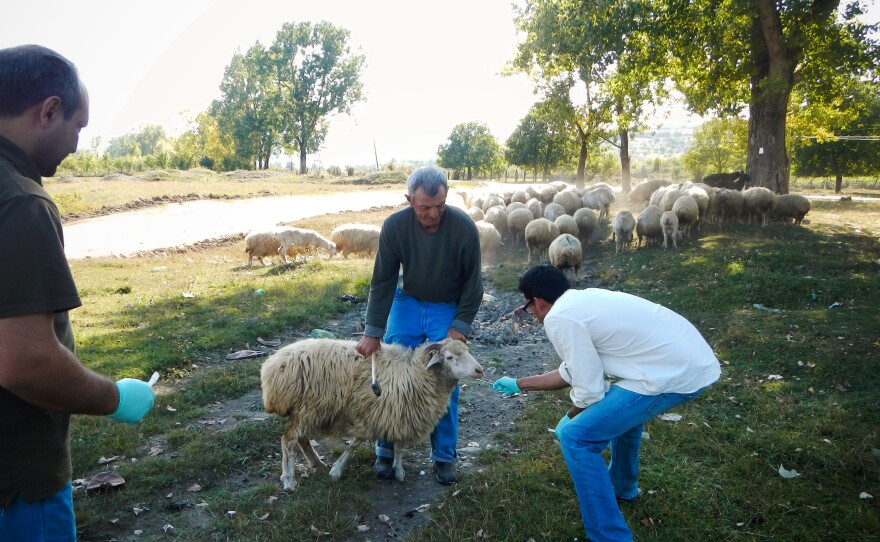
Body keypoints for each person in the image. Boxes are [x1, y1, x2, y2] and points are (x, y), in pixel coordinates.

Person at [0, 45, 156, 541]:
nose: (75, 145)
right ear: (47, 111)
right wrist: (117, 399)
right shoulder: (21, 201)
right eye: (78, 127)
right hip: (18, 482)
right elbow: (25, 362)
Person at [493, 264, 721, 542]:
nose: (533, 315)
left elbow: (589, 391)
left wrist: (571, 417)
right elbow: (573, 370)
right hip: (688, 360)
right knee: (621, 418)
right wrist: (519, 383)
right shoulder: (581, 302)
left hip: (672, 374)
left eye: (528, 308)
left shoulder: (559, 318)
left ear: (537, 302)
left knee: (576, 438)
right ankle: (623, 487)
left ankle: (609, 536)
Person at [355, 165, 483, 485]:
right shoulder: (395, 226)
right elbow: (383, 280)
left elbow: (473, 284)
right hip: (407, 301)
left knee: (444, 374)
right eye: (425, 207)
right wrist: (373, 332)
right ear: (409, 199)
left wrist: (460, 326)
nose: (433, 214)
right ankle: (385, 447)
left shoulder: (464, 228)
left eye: (440, 205)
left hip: (445, 306)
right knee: (392, 372)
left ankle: (444, 457)